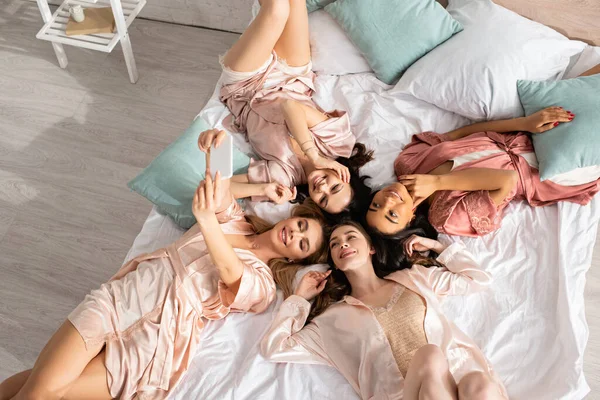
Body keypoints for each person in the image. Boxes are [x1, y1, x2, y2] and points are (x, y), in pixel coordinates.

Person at [0, 170, 328, 400]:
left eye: (302, 244)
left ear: (296, 260)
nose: (295, 234)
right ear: (291, 216)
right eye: (300, 225)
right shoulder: (236, 222)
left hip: (156, 340)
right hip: (124, 297)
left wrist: (206, 221)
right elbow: (220, 191)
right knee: (39, 388)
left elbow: (229, 268)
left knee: (46, 389)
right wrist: (263, 189)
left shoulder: (263, 286)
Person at [261, 221, 507, 399]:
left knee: (479, 383)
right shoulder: (332, 321)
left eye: (350, 237)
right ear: (335, 262)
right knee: (429, 356)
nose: (343, 244)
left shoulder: (417, 279)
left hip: (456, 386)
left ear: (371, 248)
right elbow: (275, 347)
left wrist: (435, 246)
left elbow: (477, 279)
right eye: (335, 244)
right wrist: (300, 298)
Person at [198, 0, 373, 215]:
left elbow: (222, 187)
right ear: (345, 175)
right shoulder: (338, 144)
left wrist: (262, 188)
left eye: (324, 200)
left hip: (247, 87)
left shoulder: (283, 177)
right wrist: (315, 156)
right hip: (291, 76)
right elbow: (291, 107)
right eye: (335, 187)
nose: (323, 188)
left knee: (277, 10)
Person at [365, 106, 599, 237]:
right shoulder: (446, 217)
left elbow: (461, 134)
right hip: (547, 170)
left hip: (526, 134)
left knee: (583, 93)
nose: (387, 202)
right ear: (411, 219)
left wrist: (524, 123)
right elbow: (507, 179)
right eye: (392, 215)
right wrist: (437, 183)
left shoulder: (407, 163)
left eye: (375, 205)